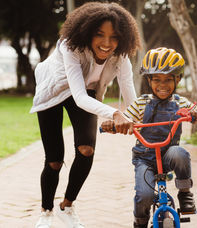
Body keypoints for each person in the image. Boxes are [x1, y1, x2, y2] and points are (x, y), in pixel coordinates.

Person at [30, 2, 141, 228]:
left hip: (87, 92)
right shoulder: (70, 46)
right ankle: (46, 212)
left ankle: (67, 206)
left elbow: (129, 92)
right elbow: (78, 96)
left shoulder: (120, 56)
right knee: (54, 161)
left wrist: (140, 119)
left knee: (86, 149)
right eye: (100, 35)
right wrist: (115, 113)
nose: (107, 43)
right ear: (87, 32)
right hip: (54, 91)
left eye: (114, 37)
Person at [101, 47, 197, 228]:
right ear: (149, 80)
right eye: (157, 80)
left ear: (178, 79)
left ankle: (185, 193)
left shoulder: (180, 103)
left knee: (180, 153)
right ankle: (140, 222)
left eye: (168, 79)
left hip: (168, 156)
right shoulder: (141, 103)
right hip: (145, 158)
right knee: (144, 195)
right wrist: (113, 125)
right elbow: (126, 119)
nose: (163, 85)